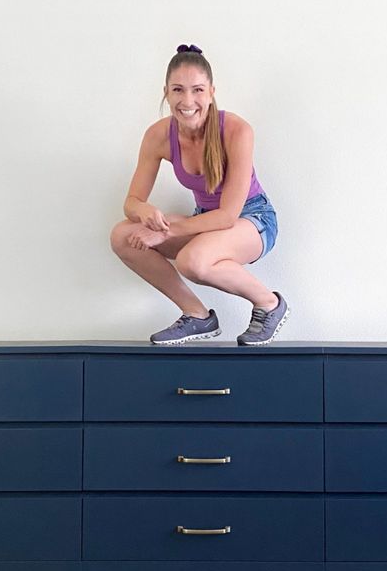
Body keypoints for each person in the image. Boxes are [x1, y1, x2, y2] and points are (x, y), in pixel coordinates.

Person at [110, 44, 289, 345]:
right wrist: (144, 212)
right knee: (122, 235)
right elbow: (132, 202)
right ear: (166, 92)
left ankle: (269, 304)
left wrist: (167, 232)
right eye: (178, 90)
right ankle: (196, 315)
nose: (188, 101)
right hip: (204, 221)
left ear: (211, 92)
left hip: (252, 219)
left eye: (197, 90)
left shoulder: (236, 130)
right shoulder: (158, 136)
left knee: (192, 260)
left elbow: (228, 215)